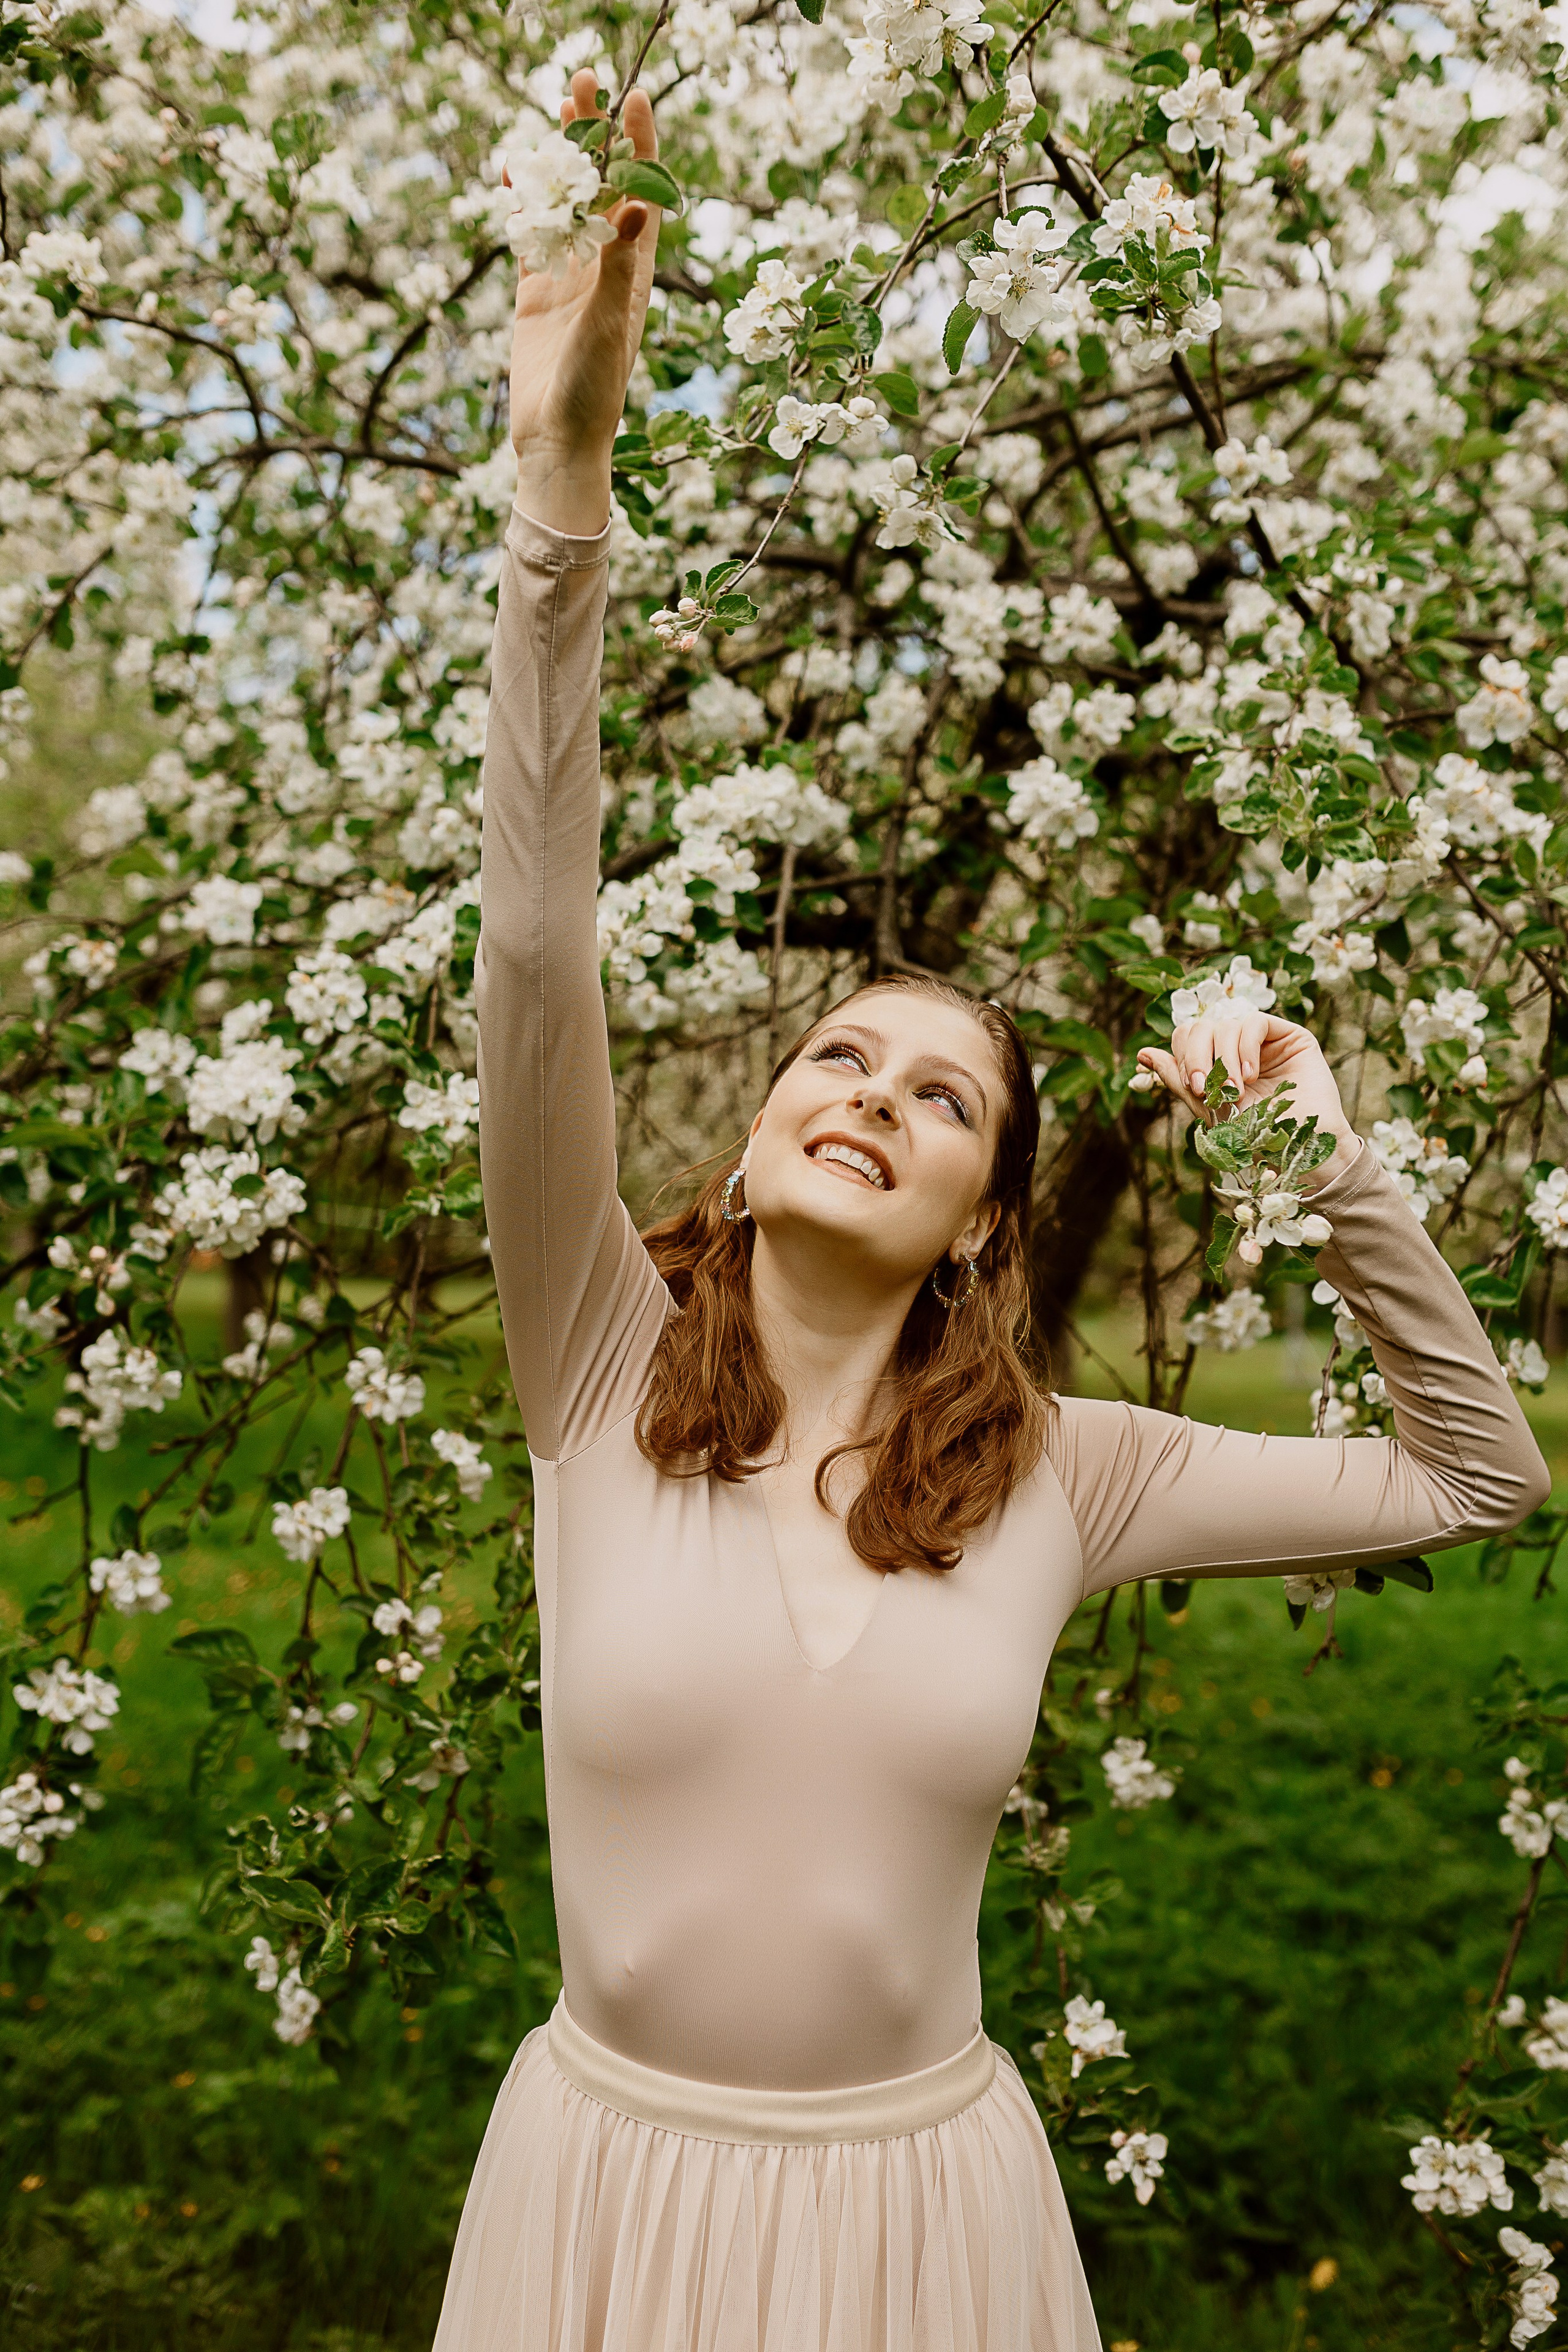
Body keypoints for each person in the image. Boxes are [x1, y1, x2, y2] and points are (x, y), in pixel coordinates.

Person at [430, 69, 1552, 2352]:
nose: (871, 1092)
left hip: (925, 2225)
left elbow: (1477, 1473)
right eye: (837, 1053)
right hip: (610, 2204)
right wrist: (562, 495)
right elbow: (540, 952)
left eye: (942, 1095)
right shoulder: (594, 1361)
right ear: (744, 1145)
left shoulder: (1065, 1468)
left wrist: (1329, 1166)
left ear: (971, 1219)